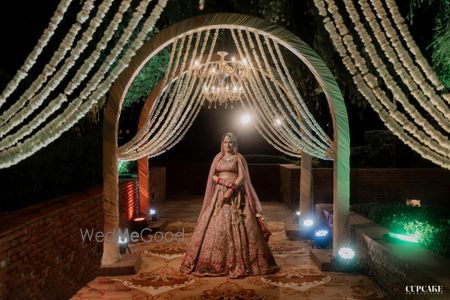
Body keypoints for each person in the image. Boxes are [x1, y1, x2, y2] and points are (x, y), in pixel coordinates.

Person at [179, 132, 281, 278]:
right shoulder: (218, 157)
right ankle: (214, 262)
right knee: (215, 225)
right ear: (222, 143)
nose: (228, 145)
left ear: (235, 143)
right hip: (219, 192)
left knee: (240, 224)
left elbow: (242, 177)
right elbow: (213, 175)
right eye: (225, 142)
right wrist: (222, 182)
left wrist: (231, 188)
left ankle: (243, 262)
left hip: (236, 194)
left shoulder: (239, 158)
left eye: (231, 142)